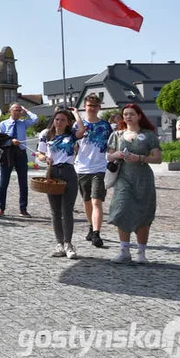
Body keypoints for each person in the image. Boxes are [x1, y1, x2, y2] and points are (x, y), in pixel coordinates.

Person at [107, 103, 162, 264]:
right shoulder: (117, 134)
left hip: (143, 178)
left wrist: (139, 158)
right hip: (123, 177)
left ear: (139, 116)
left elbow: (158, 158)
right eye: (125, 114)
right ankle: (124, 250)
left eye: (131, 114)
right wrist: (116, 154)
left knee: (143, 213)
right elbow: (108, 156)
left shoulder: (149, 135)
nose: (128, 117)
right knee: (121, 210)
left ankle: (141, 252)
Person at [36, 109, 80, 259]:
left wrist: (76, 114)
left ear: (68, 122)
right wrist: (45, 158)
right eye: (56, 119)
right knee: (55, 211)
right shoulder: (46, 134)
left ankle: (68, 243)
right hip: (52, 171)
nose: (59, 122)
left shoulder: (72, 135)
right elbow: (40, 153)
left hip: (68, 172)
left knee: (67, 210)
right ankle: (59, 243)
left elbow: (82, 129)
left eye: (62, 120)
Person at [74, 94, 112, 248]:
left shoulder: (105, 126)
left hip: (100, 167)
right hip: (82, 167)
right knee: (87, 201)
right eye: (90, 106)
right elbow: (72, 143)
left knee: (97, 200)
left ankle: (96, 233)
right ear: (85, 106)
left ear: (99, 108)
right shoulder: (78, 125)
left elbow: (111, 145)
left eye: (95, 106)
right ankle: (91, 226)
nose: (92, 108)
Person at [0, 103, 38, 217]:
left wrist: (26, 110)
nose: (18, 112)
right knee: (4, 182)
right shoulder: (3, 124)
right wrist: (10, 142)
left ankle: (23, 208)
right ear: (10, 111)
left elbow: (35, 119)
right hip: (7, 153)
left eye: (19, 110)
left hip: (21, 153)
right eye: (16, 110)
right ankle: (1, 208)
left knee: (23, 183)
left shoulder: (23, 123)